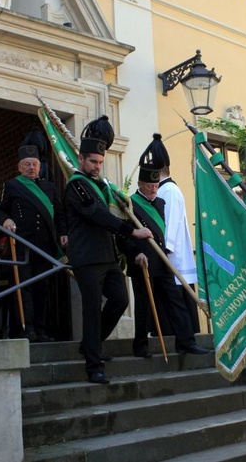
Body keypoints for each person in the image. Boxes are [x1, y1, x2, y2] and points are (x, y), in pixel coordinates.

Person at [63, 115, 153, 384]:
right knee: (91, 309)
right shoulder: (76, 185)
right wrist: (131, 230)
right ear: (80, 160)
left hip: (109, 257)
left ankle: (91, 344)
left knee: (120, 301)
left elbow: (112, 215)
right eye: (93, 161)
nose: (97, 166)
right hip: (86, 259)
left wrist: (132, 247)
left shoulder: (103, 186)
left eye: (100, 162)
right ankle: (93, 365)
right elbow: (97, 215)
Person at [118, 138, 208, 358]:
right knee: (144, 306)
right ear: (140, 184)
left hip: (162, 261)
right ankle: (140, 346)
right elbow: (122, 237)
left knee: (175, 302)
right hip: (142, 262)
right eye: (149, 186)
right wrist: (135, 254)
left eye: (156, 186)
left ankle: (186, 342)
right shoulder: (129, 204)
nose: (153, 190)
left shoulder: (161, 202)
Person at [0, 144, 68, 342]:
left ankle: (41, 329)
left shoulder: (49, 188)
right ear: (19, 167)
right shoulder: (12, 186)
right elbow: (0, 210)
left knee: (41, 288)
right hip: (21, 246)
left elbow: (60, 215)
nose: (31, 168)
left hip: (44, 247)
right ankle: (26, 329)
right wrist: (6, 220)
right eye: (26, 164)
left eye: (34, 164)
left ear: (39, 166)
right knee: (23, 287)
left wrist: (63, 233)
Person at [154, 134, 201, 334]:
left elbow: (170, 224)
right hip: (170, 259)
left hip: (174, 260)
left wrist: (165, 249)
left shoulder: (170, 191)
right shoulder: (164, 190)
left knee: (178, 306)